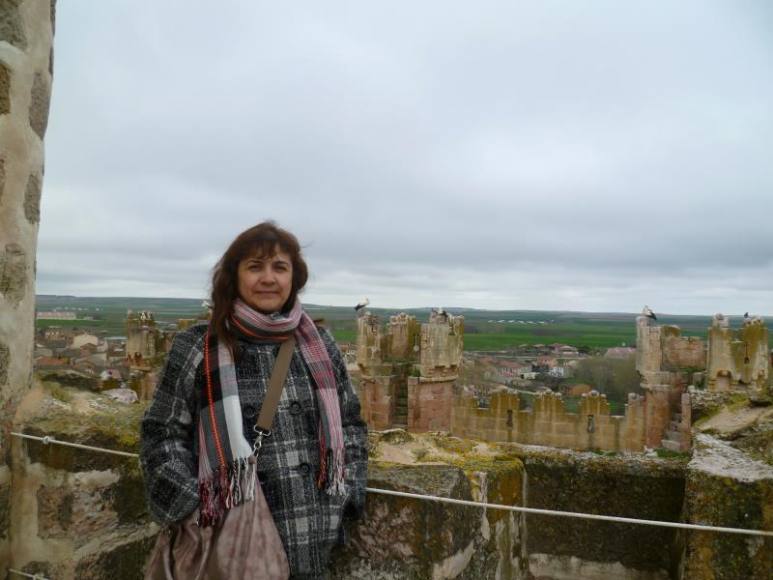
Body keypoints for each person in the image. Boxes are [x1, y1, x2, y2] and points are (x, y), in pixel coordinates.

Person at [140, 221, 368, 578]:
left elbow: (350, 422)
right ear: (235, 276)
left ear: (294, 278)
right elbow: (161, 433)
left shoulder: (319, 345)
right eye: (255, 267)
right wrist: (191, 505)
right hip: (233, 539)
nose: (268, 278)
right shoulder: (198, 346)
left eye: (280, 267)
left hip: (312, 532)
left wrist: (347, 493)